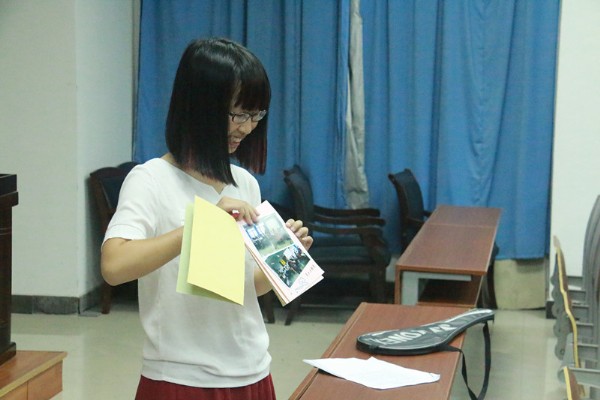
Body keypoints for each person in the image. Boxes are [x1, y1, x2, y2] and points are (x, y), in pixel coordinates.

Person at [101, 37, 313, 400]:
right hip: (180, 378)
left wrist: (285, 259)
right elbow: (114, 266)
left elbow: (247, 286)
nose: (247, 128)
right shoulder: (150, 179)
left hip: (252, 369)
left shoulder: (244, 183)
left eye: (256, 115)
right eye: (238, 114)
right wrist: (201, 225)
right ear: (199, 107)